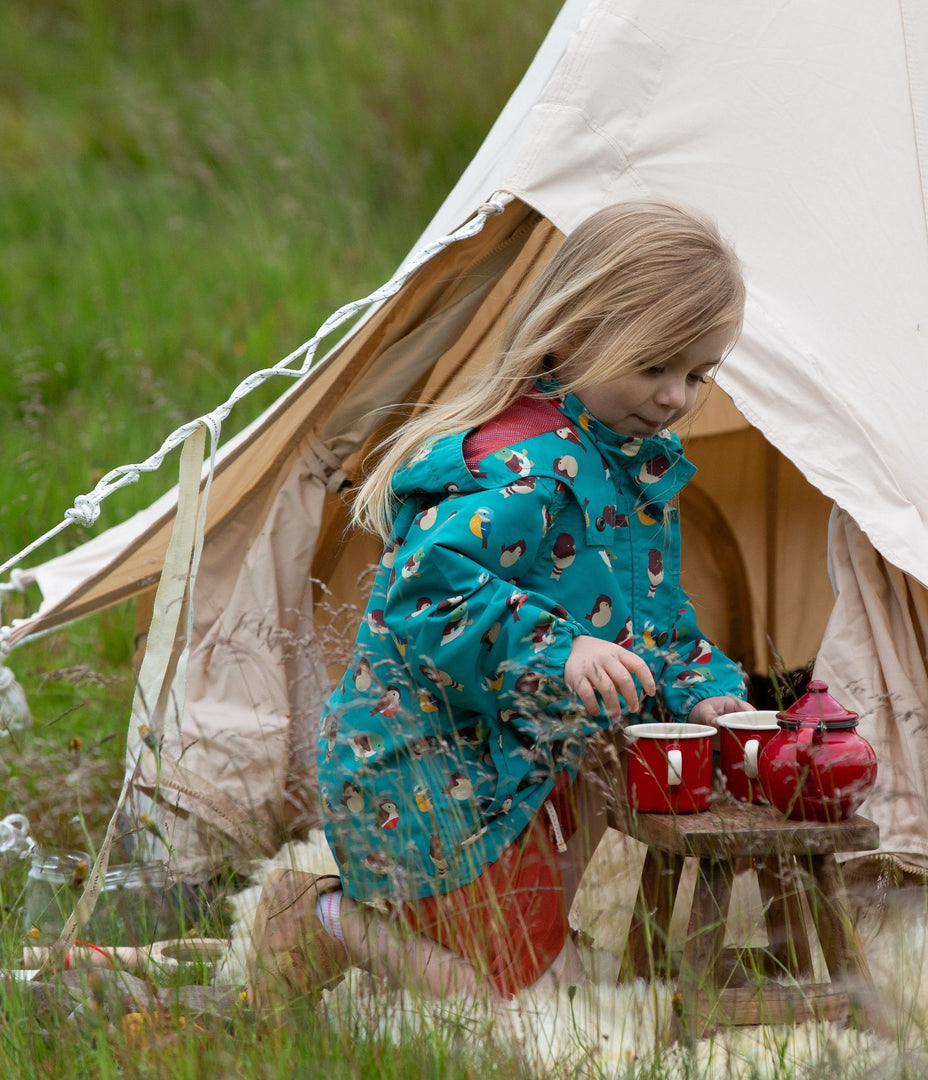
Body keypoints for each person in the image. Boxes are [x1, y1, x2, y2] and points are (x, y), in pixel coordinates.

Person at [246, 200, 755, 1017]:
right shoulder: (528, 468)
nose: (675, 398)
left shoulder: (627, 464)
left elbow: (654, 620)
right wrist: (565, 652)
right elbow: (427, 590)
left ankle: (517, 952)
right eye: (655, 366)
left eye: (698, 374)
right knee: (495, 1002)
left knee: (543, 974)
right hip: (426, 762)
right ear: (571, 333)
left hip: (518, 761)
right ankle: (322, 918)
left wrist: (705, 688)